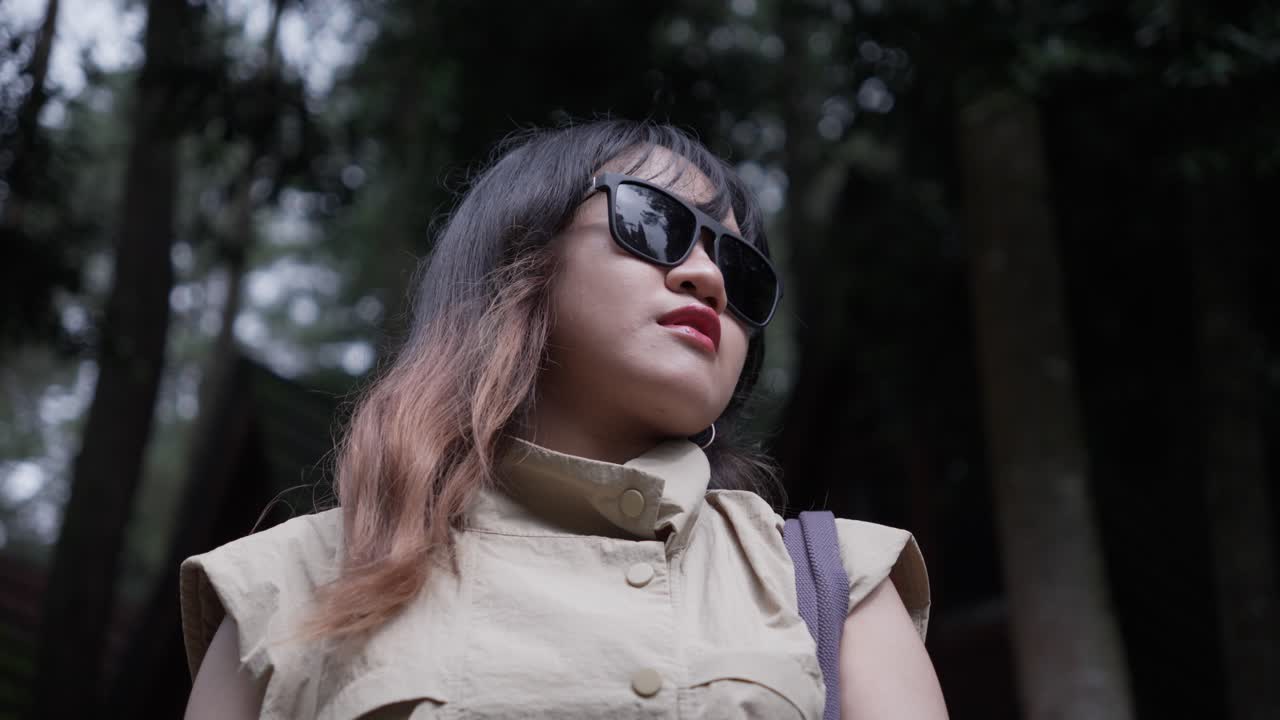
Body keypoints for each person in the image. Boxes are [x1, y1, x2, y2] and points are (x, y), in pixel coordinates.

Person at [180, 119, 949, 719]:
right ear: (521, 257)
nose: (708, 276)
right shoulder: (288, 584)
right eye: (655, 222)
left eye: (742, 271)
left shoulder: (835, 582)